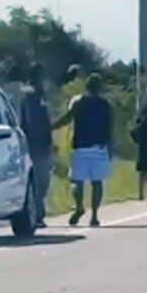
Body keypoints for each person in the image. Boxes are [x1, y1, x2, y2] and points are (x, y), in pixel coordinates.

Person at [53, 73, 113, 227]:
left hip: (81, 147)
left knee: (76, 181)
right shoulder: (106, 105)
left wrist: (51, 127)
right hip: (99, 148)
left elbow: (67, 118)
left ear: (87, 87)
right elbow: (110, 128)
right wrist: (110, 147)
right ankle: (94, 215)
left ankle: (79, 206)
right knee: (97, 183)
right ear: (100, 88)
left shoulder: (79, 103)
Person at [19, 63, 53, 228]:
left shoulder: (40, 96)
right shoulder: (30, 96)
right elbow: (30, 122)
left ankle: (38, 213)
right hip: (33, 144)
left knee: (42, 181)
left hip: (42, 144)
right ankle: (37, 214)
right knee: (38, 181)